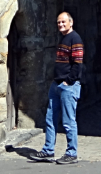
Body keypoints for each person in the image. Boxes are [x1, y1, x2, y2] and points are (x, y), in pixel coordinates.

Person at [28, 11, 83, 165]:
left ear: (71, 23)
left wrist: (69, 81)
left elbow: (78, 64)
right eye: (58, 22)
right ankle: (48, 150)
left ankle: (71, 153)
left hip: (68, 86)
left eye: (63, 22)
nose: (60, 24)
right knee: (50, 118)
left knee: (68, 121)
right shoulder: (63, 38)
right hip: (56, 85)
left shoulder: (75, 39)